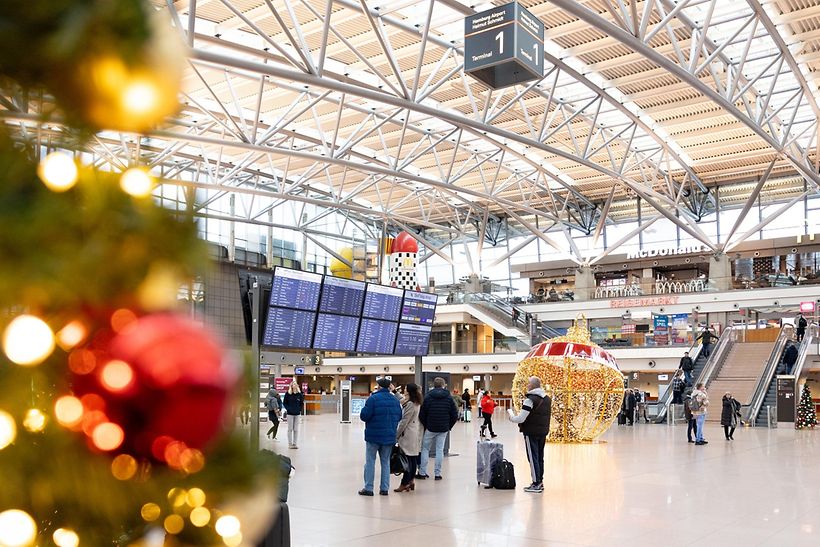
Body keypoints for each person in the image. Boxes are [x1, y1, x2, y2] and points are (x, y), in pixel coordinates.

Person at [358, 378, 402, 497]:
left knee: (370, 461)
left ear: (378, 386)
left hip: (373, 436)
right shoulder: (395, 400)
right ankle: (384, 488)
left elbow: (364, 416)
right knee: (386, 462)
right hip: (389, 436)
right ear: (389, 387)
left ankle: (368, 488)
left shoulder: (372, 399)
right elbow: (399, 416)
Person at [508, 376, 551, 493]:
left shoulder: (530, 400)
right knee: (540, 457)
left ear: (532, 385)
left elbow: (521, 418)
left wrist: (512, 418)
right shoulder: (547, 399)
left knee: (533, 458)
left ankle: (536, 483)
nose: (527, 385)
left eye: (528, 383)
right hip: (543, 431)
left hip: (531, 432)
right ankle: (540, 481)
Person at [416, 377, 458, 481]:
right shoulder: (449, 397)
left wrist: (426, 425)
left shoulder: (428, 397)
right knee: (440, 450)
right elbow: (454, 414)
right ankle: (437, 474)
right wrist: (449, 426)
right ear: (443, 385)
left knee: (425, 449)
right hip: (443, 428)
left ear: (434, 385)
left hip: (430, 427)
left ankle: (422, 472)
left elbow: (422, 414)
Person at [394, 383, 423, 493]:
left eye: (405, 389)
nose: (404, 390)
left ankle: (404, 483)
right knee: (412, 459)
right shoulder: (416, 402)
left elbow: (404, 421)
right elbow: (402, 400)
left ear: (409, 391)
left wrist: (397, 435)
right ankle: (411, 481)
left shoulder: (410, 404)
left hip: (408, 434)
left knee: (407, 460)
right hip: (414, 432)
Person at [283, 381, 304, 449]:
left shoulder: (299, 394)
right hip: (290, 414)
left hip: (297, 414)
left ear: (297, 386)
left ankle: (295, 444)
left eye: (295, 384)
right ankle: (290, 444)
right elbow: (284, 403)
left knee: (296, 429)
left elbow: (301, 403)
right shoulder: (288, 394)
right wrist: (288, 409)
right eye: (292, 385)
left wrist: (299, 409)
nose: (294, 386)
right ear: (291, 386)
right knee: (290, 429)